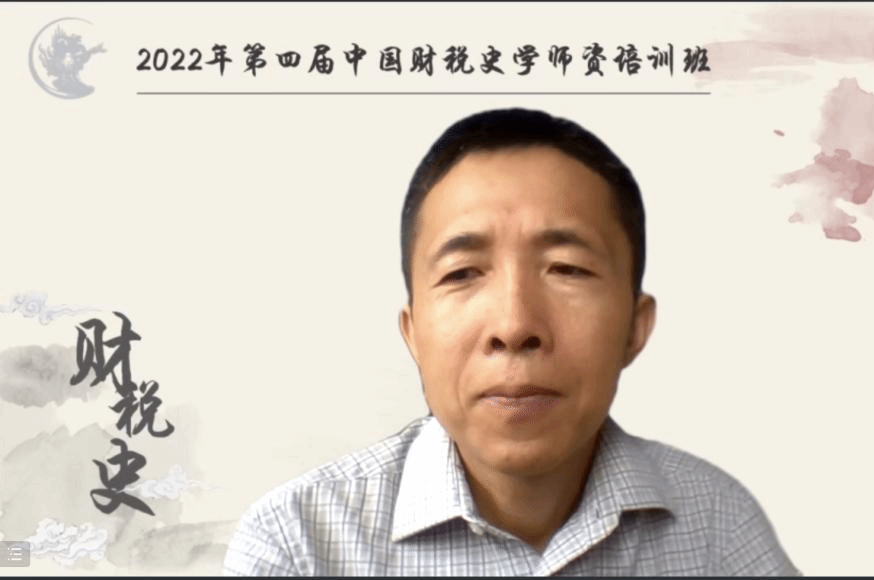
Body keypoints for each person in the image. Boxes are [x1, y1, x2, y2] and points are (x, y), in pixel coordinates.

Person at [223, 108, 799, 576]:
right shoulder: (298, 541)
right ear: (413, 333)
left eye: (567, 268)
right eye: (462, 273)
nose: (514, 324)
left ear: (635, 327)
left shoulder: (718, 524)